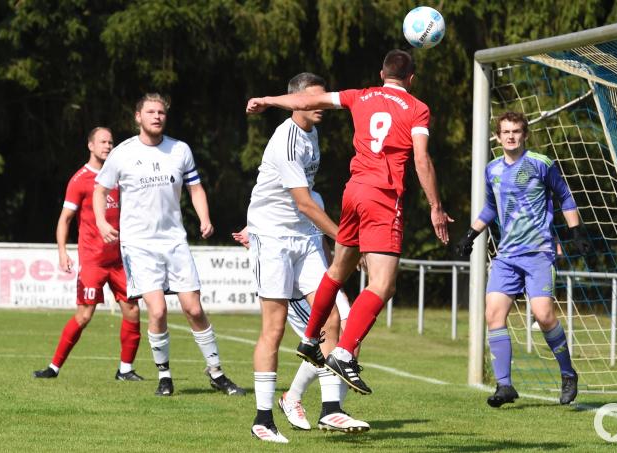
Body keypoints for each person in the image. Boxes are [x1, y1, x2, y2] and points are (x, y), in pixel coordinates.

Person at [246, 49, 452, 396]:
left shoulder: (361, 95)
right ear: (411, 79)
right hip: (383, 197)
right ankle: (342, 353)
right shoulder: (417, 108)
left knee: (338, 270)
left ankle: (311, 339)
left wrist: (267, 99)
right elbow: (421, 158)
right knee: (383, 285)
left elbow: (306, 98)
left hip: (353, 193)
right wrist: (436, 206)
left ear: (381, 73)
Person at [243, 73, 368, 443]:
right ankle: (263, 418)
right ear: (296, 102)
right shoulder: (286, 140)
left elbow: (309, 202)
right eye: (315, 100)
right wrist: (346, 239)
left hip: (304, 238)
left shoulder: (312, 135)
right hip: (273, 238)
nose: (324, 106)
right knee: (275, 327)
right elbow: (303, 203)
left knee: (330, 316)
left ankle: (332, 412)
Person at [93, 93, 244, 397]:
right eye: (150, 112)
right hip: (138, 244)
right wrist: (101, 222)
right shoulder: (122, 153)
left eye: (161, 112)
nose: (157, 116)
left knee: (194, 308)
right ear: (138, 117)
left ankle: (216, 372)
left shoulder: (180, 150)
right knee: (158, 311)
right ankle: (165, 375)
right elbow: (100, 189)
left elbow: (195, 187)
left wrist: (204, 217)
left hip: (174, 241)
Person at [455, 111, 589, 407]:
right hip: (506, 256)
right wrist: (470, 235)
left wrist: (575, 231)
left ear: (524, 135)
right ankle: (504, 386)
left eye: (516, 131)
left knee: (543, 316)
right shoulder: (492, 170)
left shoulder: (541, 164)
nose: (511, 135)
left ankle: (568, 373)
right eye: (506, 131)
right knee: (493, 313)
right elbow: (491, 207)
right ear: (498, 136)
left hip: (539, 253)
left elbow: (565, 196)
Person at [33, 127, 143, 381]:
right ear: (90, 146)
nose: (108, 146)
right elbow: (65, 219)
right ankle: (54, 367)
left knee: (133, 311)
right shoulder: (79, 180)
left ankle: (125, 370)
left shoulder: (120, 177)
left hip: (119, 261)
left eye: (111, 142)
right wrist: (63, 252)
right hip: (93, 261)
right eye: (102, 142)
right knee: (84, 315)